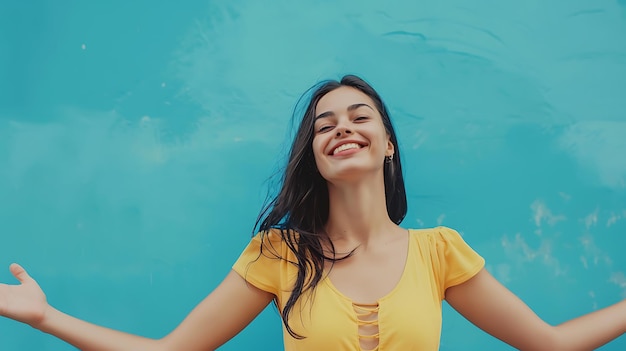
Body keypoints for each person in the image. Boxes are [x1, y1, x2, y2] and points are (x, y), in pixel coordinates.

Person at [0, 75, 624, 351]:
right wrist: (47, 318)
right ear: (313, 154)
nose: (342, 129)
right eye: (324, 124)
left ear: (388, 145)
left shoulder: (440, 252)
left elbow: (550, 343)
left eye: (360, 117)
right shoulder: (277, 256)